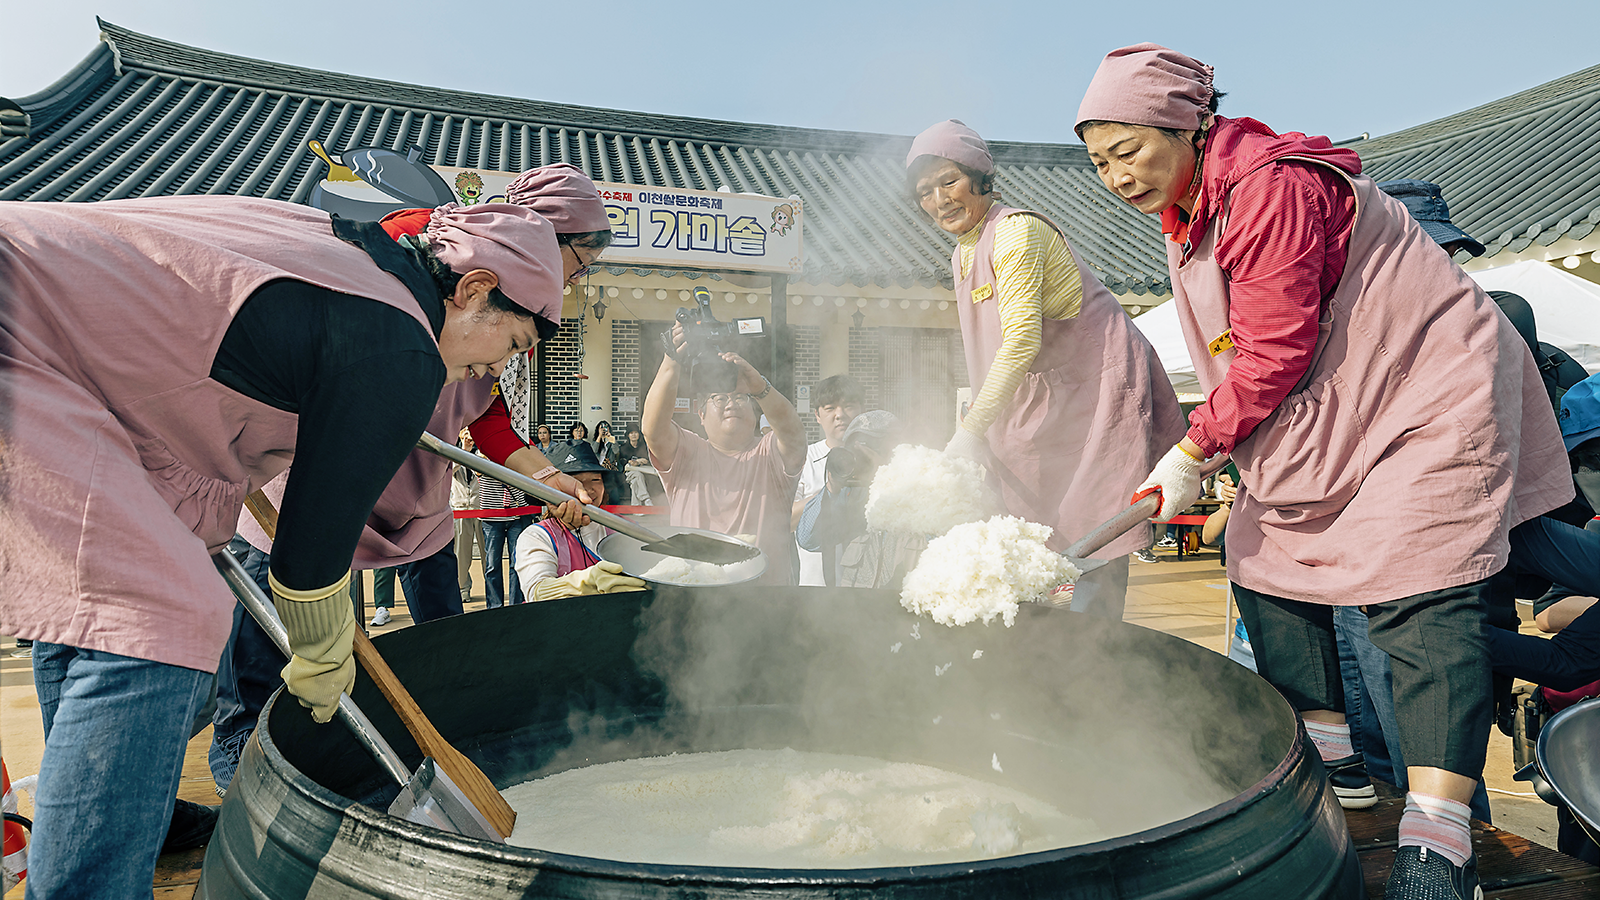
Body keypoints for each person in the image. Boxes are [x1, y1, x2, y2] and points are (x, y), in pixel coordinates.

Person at [1075, 43, 1570, 898]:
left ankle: (1438, 837)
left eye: (1130, 150)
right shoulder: (1192, 210)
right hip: (1336, 401)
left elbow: (1273, 349)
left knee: (1424, 587)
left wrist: (1196, 449)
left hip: (1425, 390)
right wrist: (1204, 453)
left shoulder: (1269, 184)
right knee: (1263, 557)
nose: (1117, 176)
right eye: (1099, 162)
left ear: (1190, 122)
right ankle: (1335, 764)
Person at [0, 195, 561, 899]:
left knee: (102, 623)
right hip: (20, 330)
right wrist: (324, 650)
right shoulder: (399, 337)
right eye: (510, 345)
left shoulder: (353, 253)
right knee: (159, 614)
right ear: (475, 289)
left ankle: (85, 841)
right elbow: (306, 557)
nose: (490, 369)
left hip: (53, 344)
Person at [209, 162, 613, 794]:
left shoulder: (512, 298)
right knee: (275, 635)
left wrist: (547, 477)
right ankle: (244, 770)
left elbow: (489, 414)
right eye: (580, 264)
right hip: (318, 476)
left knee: (441, 633)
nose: (578, 282)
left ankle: (434, 740)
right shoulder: (430, 250)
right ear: (545, 236)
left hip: (416, 494)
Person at [906, 119, 1186, 618]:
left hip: (1098, 394)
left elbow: (1020, 340)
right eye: (925, 192)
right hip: (1040, 405)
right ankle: (1039, 667)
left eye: (948, 181)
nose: (939, 199)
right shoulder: (962, 252)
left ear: (979, 176)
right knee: (1024, 538)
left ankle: (1092, 664)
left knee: (1094, 535)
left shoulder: (1015, 231)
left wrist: (971, 428)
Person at [641, 326, 807, 584]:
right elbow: (653, 430)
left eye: (741, 398)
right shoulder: (687, 451)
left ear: (755, 412)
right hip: (692, 593)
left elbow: (794, 434)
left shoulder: (769, 453)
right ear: (701, 414)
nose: (731, 403)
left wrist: (760, 387)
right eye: (719, 398)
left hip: (768, 598)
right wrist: (671, 360)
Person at [796, 411, 928, 588]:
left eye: (872, 448)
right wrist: (832, 488)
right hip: (857, 607)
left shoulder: (920, 490)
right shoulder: (851, 495)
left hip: (902, 605)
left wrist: (885, 476)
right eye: (855, 449)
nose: (863, 457)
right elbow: (808, 540)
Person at [513, 442, 646, 601]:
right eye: (575, 481)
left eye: (595, 479)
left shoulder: (624, 528)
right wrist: (583, 583)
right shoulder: (537, 536)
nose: (588, 489)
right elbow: (536, 592)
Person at [793, 375, 865, 586]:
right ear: (817, 415)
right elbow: (785, 520)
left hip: (867, 590)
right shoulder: (802, 459)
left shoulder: (877, 460)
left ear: (862, 411)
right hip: (814, 588)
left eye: (849, 406)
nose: (840, 415)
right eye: (830, 408)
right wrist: (829, 493)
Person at [476, 464, 534, 608]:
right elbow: (476, 468)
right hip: (491, 517)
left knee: (516, 564)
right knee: (492, 565)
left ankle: (516, 605)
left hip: (517, 515)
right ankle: (495, 606)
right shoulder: (482, 456)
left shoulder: (513, 458)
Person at [452, 428, 483, 607]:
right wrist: (464, 450)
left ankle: (492, 589)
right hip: (461, 508)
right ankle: (463, 589)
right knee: (461, 554)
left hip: (482, 508)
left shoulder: (482, 453)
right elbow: (450, 470)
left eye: (470, 431)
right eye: (464, 431)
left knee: (487, 553)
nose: (468, 435)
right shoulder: (454, 452)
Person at [618, 426, 660, 506]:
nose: (633, 435)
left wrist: (639, 462)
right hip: (628, 473)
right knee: (637, 475)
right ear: (628, 435)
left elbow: (648, 460)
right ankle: (646, 498)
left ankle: (636, 506)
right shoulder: (624, 447)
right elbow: (623, 462)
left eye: (635, 432)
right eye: (631, 433)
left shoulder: (644, 447)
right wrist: (633, 462)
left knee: (635, 481)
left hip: (644, 472)